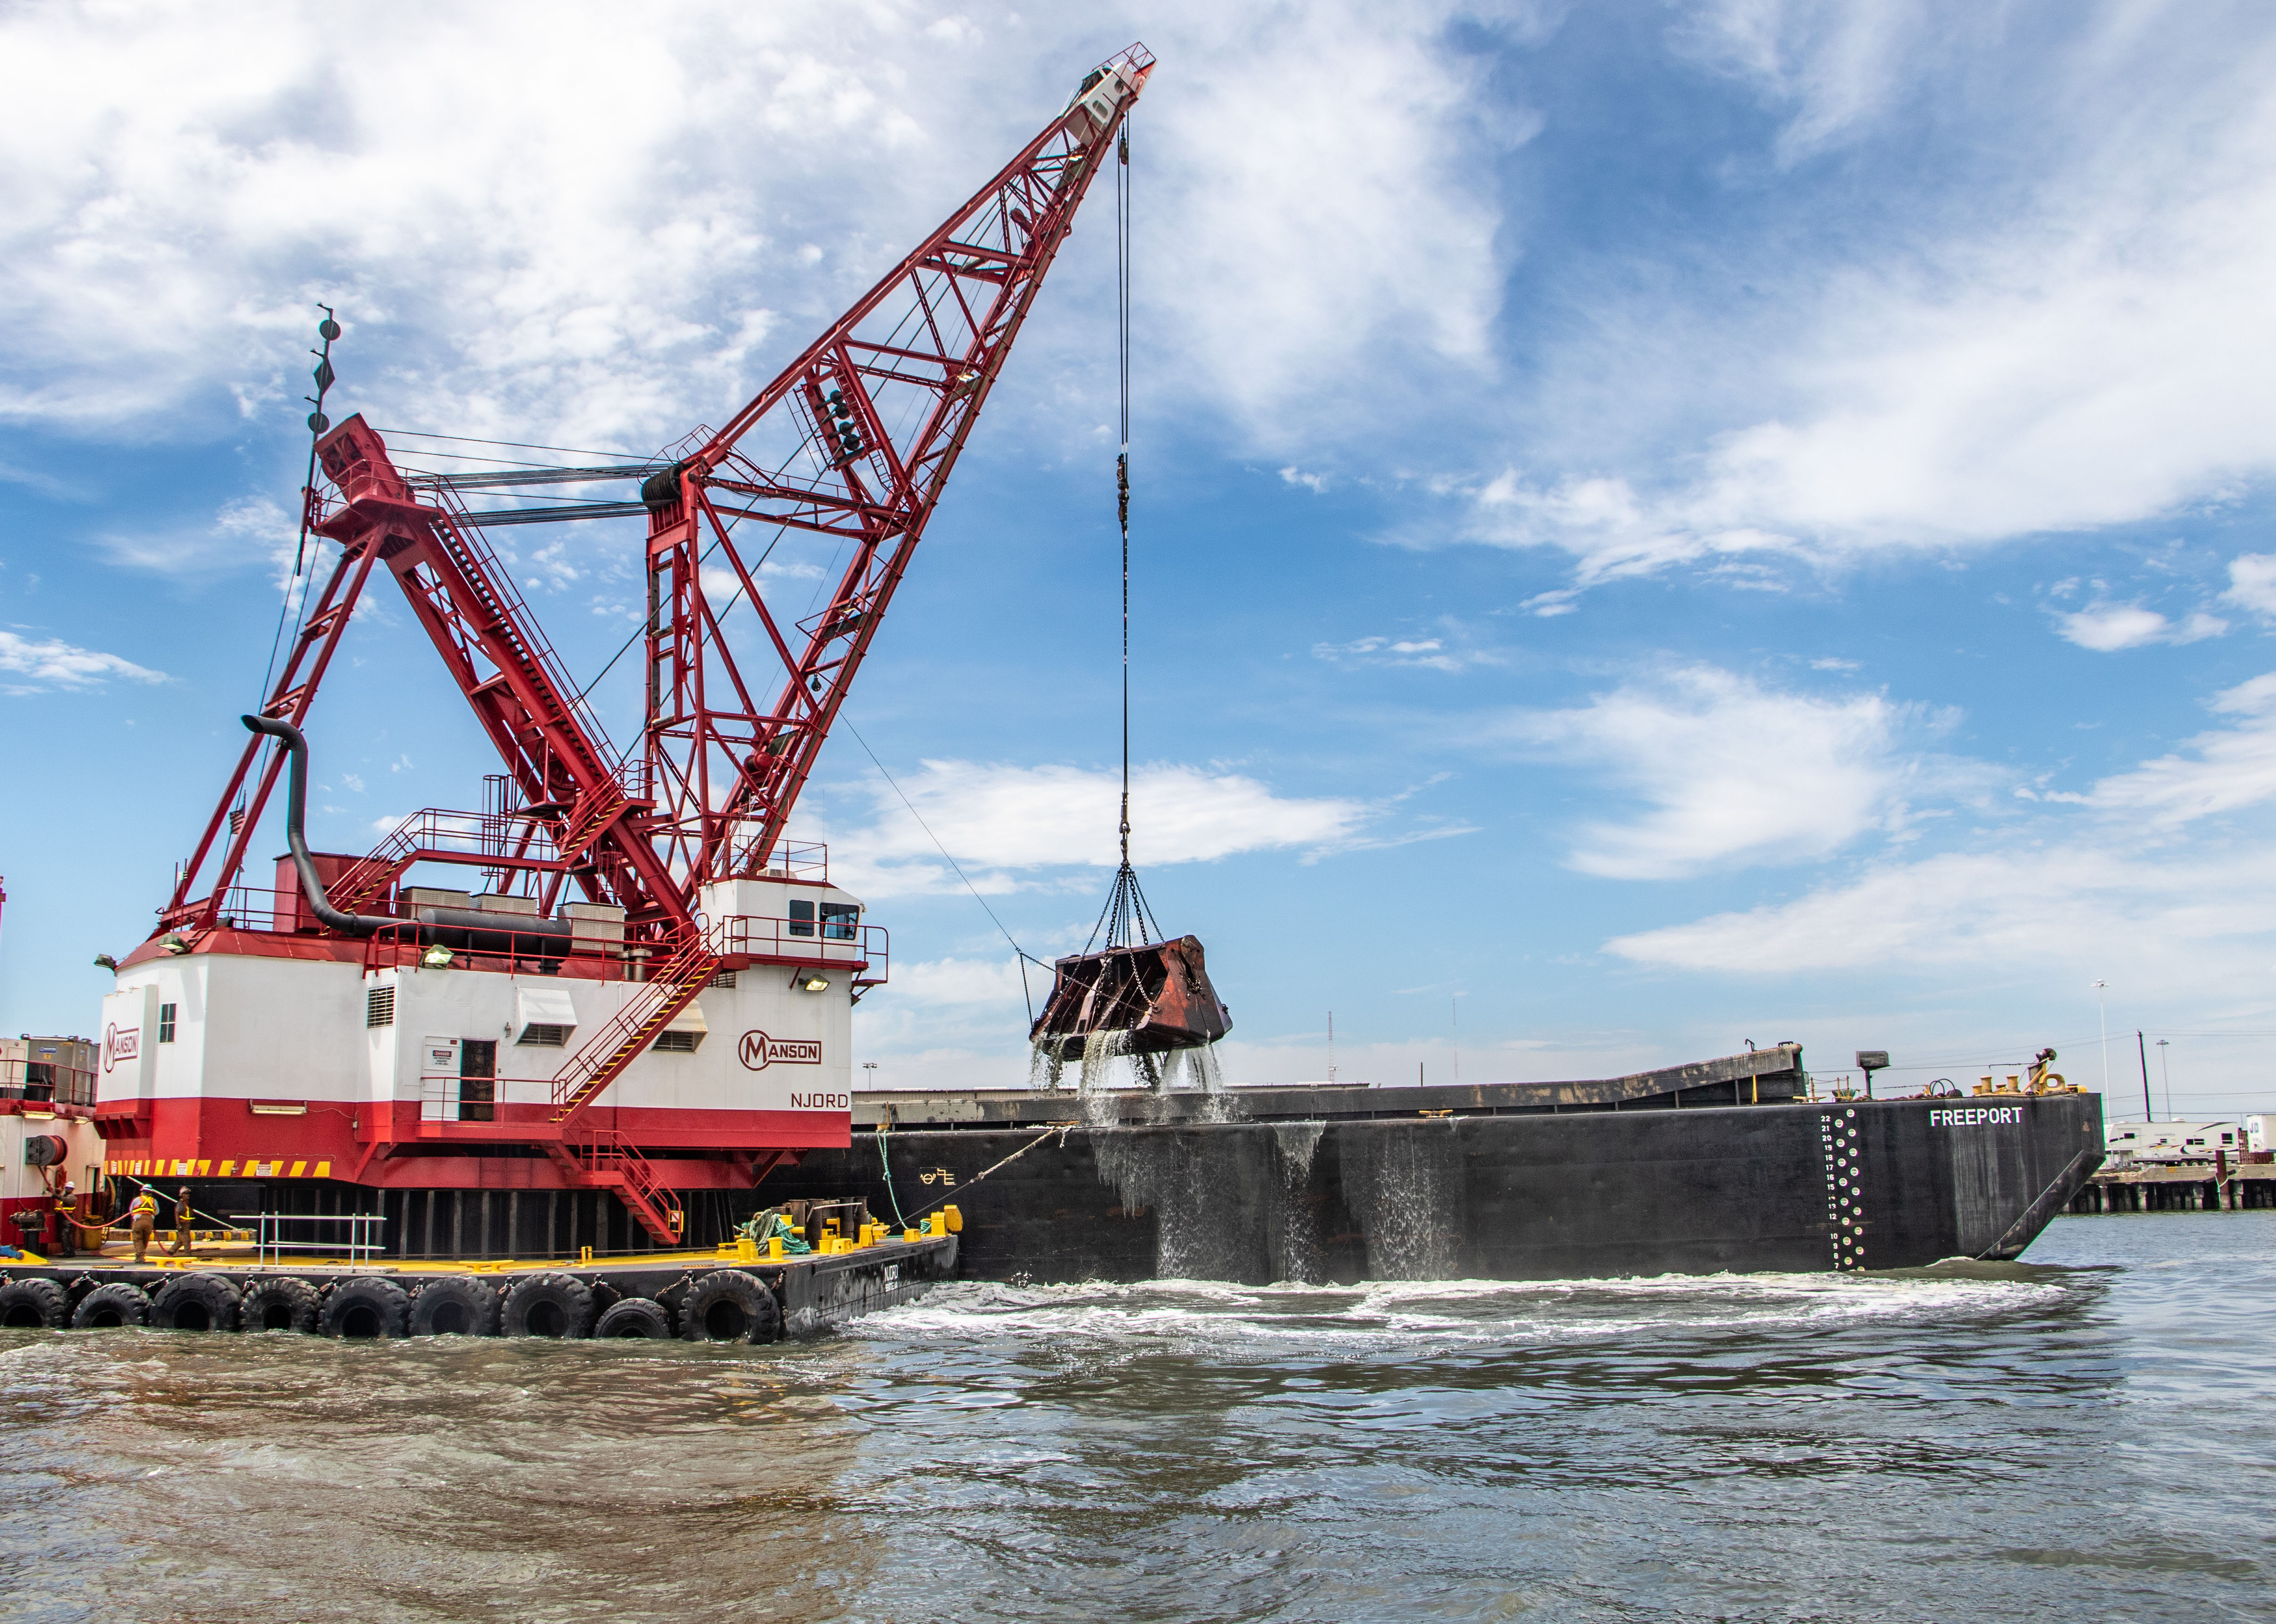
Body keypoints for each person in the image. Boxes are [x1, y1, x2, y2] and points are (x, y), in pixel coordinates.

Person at [128, 1186, 160, 1264]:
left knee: (138, 1239)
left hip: (138, 1221)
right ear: (150, 1193)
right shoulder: (154, 1201)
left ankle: (140, 1257)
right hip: (149, 1222)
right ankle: (140, 1255)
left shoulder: (137, 1200)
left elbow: (131, 1210)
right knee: (145, 1240)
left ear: (142, 1192)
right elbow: (157, 1212)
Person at [170, 1184, 194, 1256]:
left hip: (187, 1225)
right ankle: (188, 1255)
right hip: (183, 1225)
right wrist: (179, 1225)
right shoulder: (180, 1204)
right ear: (182, 1195)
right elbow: (177, 1214)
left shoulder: (186, 1204)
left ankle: (171, 1252)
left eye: (188, 1194)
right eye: (186, 1194)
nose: (188, 1195)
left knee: (180, 1241)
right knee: (187, 1240)